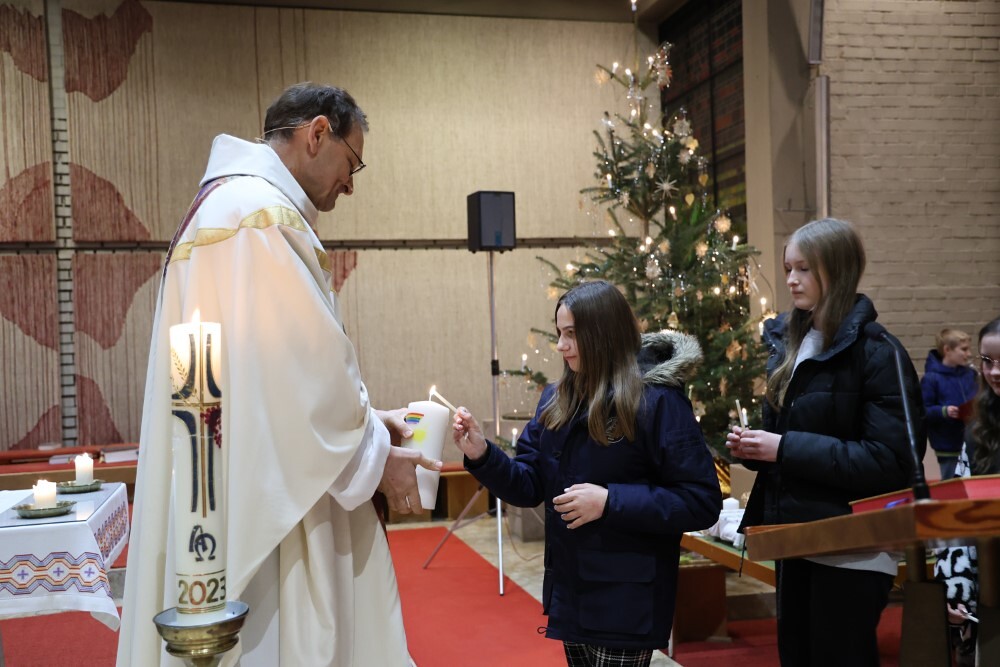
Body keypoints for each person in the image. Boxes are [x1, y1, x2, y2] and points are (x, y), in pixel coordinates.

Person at [116, 83, 441, 666]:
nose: (351, 183)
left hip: (224, 475)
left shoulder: (226, 209)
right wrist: (376, 457)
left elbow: (276, 374)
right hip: (270, 497)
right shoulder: (257, 217)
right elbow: (307, 371)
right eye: (352, 162)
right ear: (317, 133)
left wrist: (371, 422)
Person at [452, 280, 722, 667]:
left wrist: (610, 502)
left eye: (571, 334)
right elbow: (529, 485)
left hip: (627, 599)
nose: (561, 346)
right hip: (571, 592)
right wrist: (481, 454)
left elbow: (700, 501)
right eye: (559, 333)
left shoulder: (659, 400)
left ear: (603, 334)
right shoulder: (556, 398)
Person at [726, 218, 924, 667]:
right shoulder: (792, 345)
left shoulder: (879, 352)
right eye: (788, 269)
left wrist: (783, 448)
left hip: (852, 550)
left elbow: (891, 462)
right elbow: (787, 441)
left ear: (837, 269)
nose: (791, 280)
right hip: (795, 538)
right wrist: (755, 448)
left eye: (804, 269)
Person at [934, 316, 1000, 666]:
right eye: (987, 361)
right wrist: (954, 589)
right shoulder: (978, 431)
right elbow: (957, 518)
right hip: (991, 583)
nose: (995, 372)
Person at [921, 327, 977, 479]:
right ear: (947, 350)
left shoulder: (971, 374)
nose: (969, 354)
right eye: (964, 349)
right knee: (951, 483)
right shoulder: (931, 378)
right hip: (948, 444)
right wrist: (943, 411)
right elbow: (922, 411)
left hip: (972, 440)